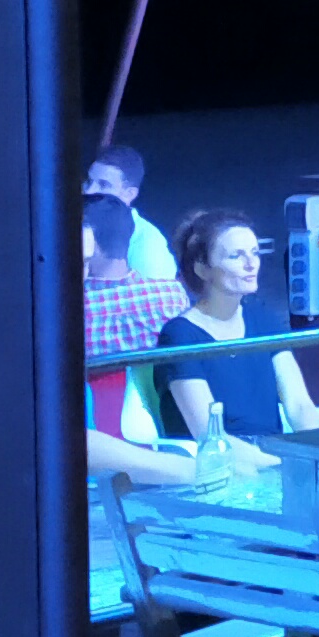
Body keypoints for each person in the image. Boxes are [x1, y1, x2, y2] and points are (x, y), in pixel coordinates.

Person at [86, 196, 234, 486]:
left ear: (94, 247)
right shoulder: (171, 295)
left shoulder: (71, 307)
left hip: (97, 438)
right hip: (167, 429)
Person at [157, 208, 319, 445]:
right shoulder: (180, 335)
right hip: (224, 459)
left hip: (274, 451)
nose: (251, 264)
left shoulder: (264, 320)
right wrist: (275, 461)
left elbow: (299, 405)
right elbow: (210, 435)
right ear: (202, 269)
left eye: (255, 253)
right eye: (235, 256)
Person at [83, 141, 175, 289]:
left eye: (104, 185)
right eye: (88, 182)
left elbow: (153, 298)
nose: (88, 191)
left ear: (129, 194)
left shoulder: (148, 244)